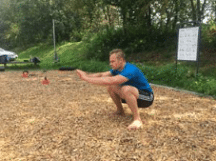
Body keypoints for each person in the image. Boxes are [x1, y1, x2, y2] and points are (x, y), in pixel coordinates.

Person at [76, 49, 154, 130]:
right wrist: (86, 76)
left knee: (126, 89)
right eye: (110, 61)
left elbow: (111, 80)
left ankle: (137, 120)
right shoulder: (117, 70)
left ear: (121, 60)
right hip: (132, 95)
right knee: (112, 86)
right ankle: (120, 111)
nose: (110, 64)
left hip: (147, 97)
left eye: (113, 61)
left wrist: (86, 79)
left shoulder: (130, 69)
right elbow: (102, 75)